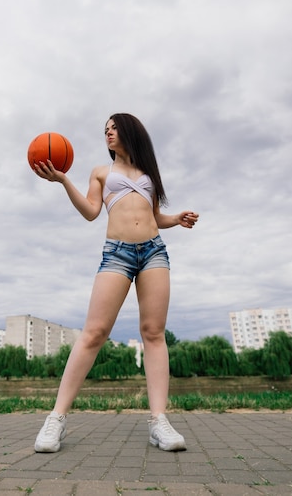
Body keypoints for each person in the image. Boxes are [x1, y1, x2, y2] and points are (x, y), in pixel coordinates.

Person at [33, 113, 198, 454]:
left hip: (154, 252)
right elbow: (92, 212)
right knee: (94, 333)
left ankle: (159, 422)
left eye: (113, 127)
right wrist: (65, 181)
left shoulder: (148, 173)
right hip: (117, 254)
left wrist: (176, 219)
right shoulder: (100, 172)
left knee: (153, 333)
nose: (107, 133)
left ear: (130, 131)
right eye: (104, 130)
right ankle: (56, 419)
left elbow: (153, 217)